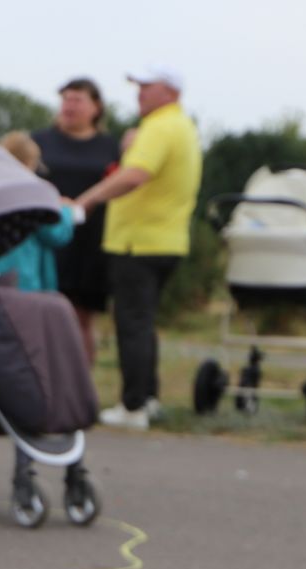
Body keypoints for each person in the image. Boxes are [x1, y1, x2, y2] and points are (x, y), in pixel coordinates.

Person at [68, 66, 201, 430]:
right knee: (143, 323)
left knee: (132, 324)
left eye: (147, 87)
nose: (139, 93)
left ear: (169, 92)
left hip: (138, 242)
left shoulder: (159, 127)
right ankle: (149, 397)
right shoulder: (178, 126)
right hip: (165, 240)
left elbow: (135, 175)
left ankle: (133, 406)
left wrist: (88, 200)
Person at [33, 79, 124, 362]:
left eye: (77, 100)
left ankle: (81, 386)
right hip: (47, 237)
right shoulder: (39, 141)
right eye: (65, 100)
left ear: (95, 108)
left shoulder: (111, 147)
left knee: (81, 316)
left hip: (89, 242)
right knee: (43, 311)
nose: (69, 106)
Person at [0, 131, 78, 293]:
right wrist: (66, 212)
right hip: (26, 280)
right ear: (31, 162)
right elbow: (54, 234)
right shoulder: (35, 192)